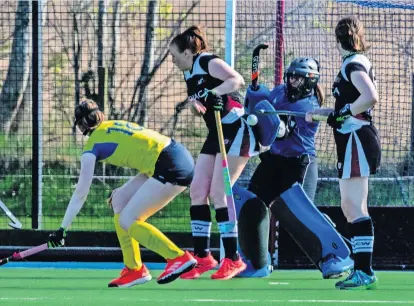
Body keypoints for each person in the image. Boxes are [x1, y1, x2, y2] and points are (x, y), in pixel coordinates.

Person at [47, 99, 197, 287]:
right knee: (119, 200)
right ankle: (134, 269)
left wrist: (62, 229)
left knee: (128, 219)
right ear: (100, 115)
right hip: (174, 155)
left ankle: (177, 257)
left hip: (170, 167)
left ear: (80, 126)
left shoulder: (91, 147)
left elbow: (80, 193)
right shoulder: (112, 125)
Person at [238, 57, 353, 279]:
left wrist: (276, 125)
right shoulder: (280, 92)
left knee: (299, 215)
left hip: (300, 163)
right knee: (251, 203)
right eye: (290, 76)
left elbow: (282, 132)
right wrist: (255, 99)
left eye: (298, 78)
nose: (292, 82)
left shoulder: (309, 106)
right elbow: (264, 112)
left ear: (310, 81)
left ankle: (334, 256)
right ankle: (256, 263)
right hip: (274, 160)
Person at [168, 25, 259, 280]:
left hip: (236, 129)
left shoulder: (206, 61)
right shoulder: (188, 73)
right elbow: (203, 103)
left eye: (174, 55)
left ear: (187, 52)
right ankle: (203, 257)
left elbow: (236, 80)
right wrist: (195, 105)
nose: (172, 61)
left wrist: (213, 92)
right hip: (216, 131)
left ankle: (233, 258)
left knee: (220, 192)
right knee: (198, 190)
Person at [308, 16, 380, 290]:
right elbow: (347, 106)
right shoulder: (353, 63)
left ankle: (364, 271)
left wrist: (345, 112)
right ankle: (364, 270)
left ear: (338, 39)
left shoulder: (353, 63)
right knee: (350, 207)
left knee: (353, 206)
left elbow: (369, 97)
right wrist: (321, 114)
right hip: (351, 138)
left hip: (356, 140)